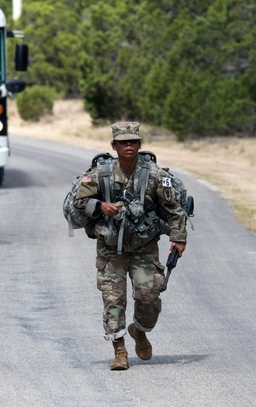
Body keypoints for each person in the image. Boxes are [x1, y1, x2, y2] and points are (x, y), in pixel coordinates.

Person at [72, 121, 188, 370]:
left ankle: (140, 330)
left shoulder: (154, 175)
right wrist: (100, 206)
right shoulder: (100, 174)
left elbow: (174, 208)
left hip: (144, 247)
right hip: (110, 248)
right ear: (114, 146)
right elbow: (78, 202)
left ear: (139, 145)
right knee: (113, 300)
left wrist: (178, 238)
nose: (129, 146)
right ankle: (120, 351)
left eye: (133, 142)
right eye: (123, 142)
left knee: (148, 296)